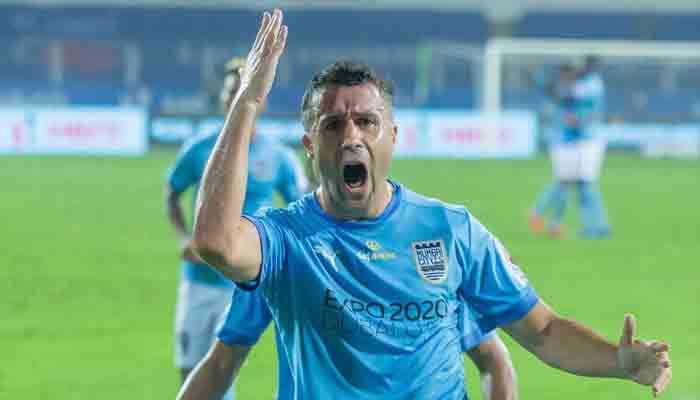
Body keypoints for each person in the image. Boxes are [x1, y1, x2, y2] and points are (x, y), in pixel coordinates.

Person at [192, 10, 671, 399]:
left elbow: (542, 331)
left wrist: (618, 361)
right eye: (333, 125)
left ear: (393, 137)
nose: (352, 136)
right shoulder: (284, 240)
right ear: (310, 147)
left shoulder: (451, 230)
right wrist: (247, 103)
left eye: (367, 122)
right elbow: (215, 242)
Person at [165, 55, 308, 399]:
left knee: (223, 369)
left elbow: (302, 209)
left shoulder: (278, 156)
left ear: (261, 98)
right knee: (190, 369)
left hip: (246, 284)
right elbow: (172, 193)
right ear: (222, 98)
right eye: (231, 92)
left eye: (241, 91)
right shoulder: (199, 148)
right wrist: (184, 238)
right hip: (199, 280)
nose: (235, 98)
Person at [177, 287, 519, 400]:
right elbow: (221, 363)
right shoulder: (279, 247)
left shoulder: (426, 242)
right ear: (310, 150)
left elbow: (494, 360)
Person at [529, 58, 611, 239]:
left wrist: (543, 84)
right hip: (570, 141)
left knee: (573, 183)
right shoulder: (584, 85)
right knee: (572, 183)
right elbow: (567, 104)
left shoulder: (586, 85)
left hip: (577, 140)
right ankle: (548, 217)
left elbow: (567, 101)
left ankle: (551, 220)